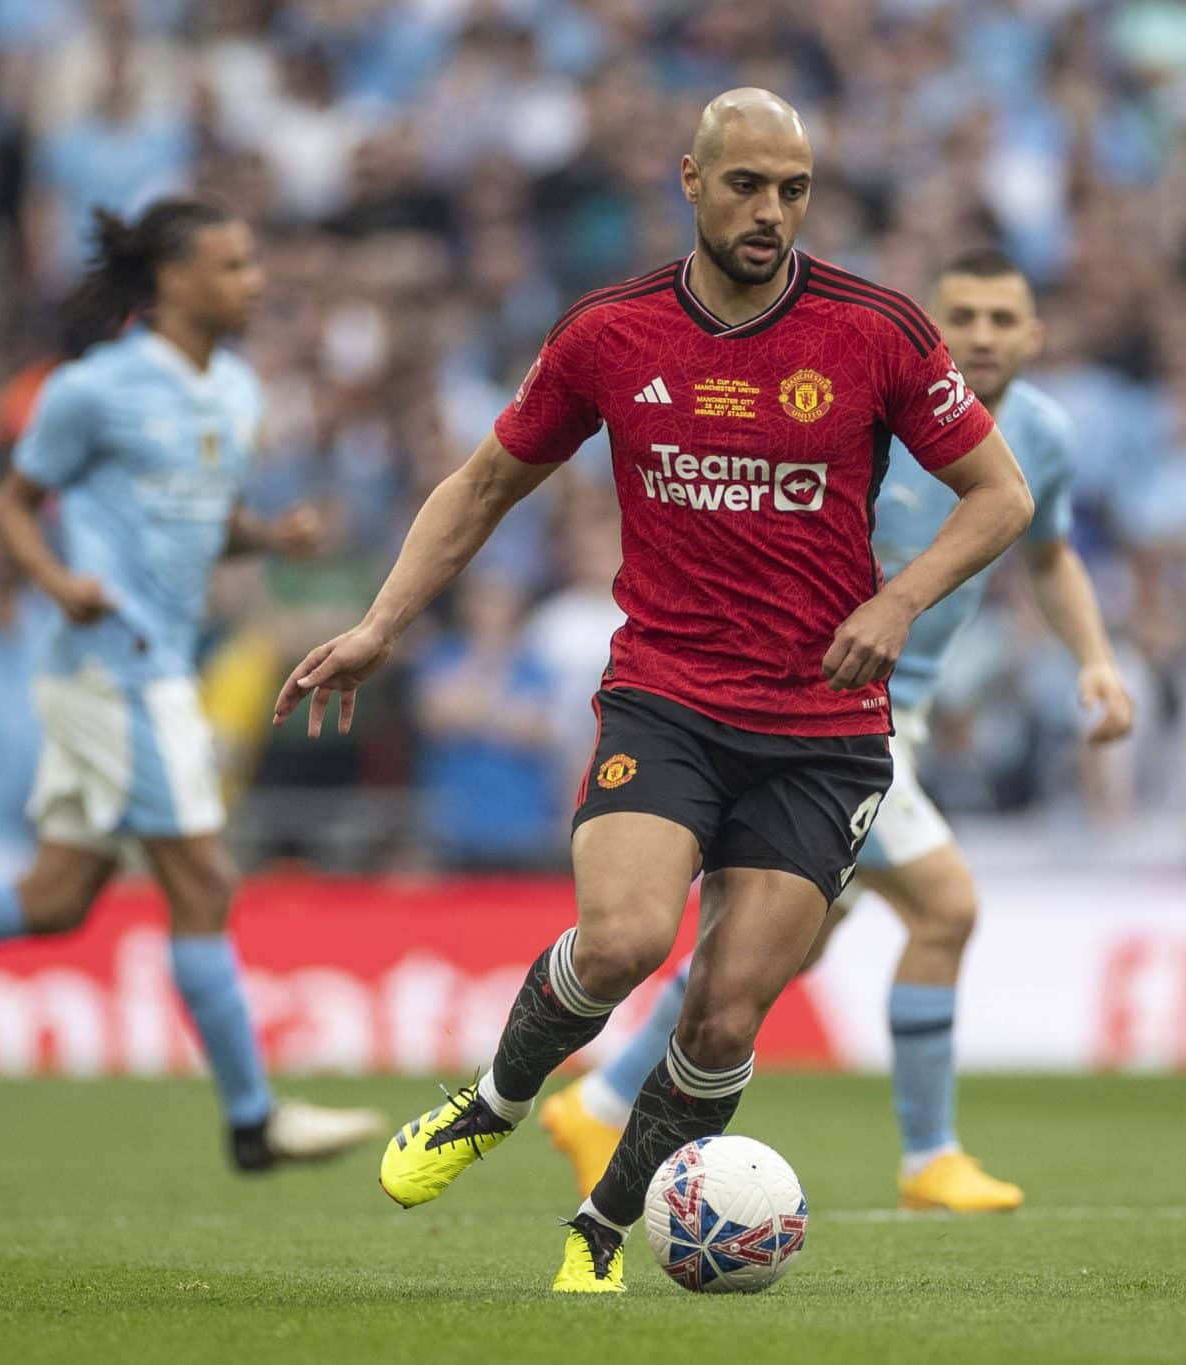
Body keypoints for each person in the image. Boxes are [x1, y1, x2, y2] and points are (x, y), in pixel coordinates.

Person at [273, 88, 1034, 1293]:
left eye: (792, 190)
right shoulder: (608, 334)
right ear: (689, 179)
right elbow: (480, 487)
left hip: (822, 734)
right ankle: (491, 1103)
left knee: (726, 1016)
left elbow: (1000, 494)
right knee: (625, 939)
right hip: (668, 698)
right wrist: (378, 624)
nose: (769, 212)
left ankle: (601, 1232)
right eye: (745, 185)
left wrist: (895, 602)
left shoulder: (876, 330)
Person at [0, 199, 382, 1173]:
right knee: (205, 879)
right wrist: (58, 582)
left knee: (57, 898)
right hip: (114, 669)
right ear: (174, 281)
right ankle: (252, 1120)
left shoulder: (233, 390)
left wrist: (269, 537)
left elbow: (193, 517)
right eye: (231, 264)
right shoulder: (93, 391)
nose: (253, 283)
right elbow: (9, 506)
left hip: (153, 667)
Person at [538, 248, 1136, 1213]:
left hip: (913, 713)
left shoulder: (1043, 436)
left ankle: (602, 1099)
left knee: (788, 944)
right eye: (964, 316)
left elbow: (1050, 550)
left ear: (1035, 335)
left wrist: (1096, 659)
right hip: (830, 711)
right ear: (933, 327)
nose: (981, 335)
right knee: (946, 909)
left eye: (1001, 318)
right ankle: (929, 1155)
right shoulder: (884, 413)